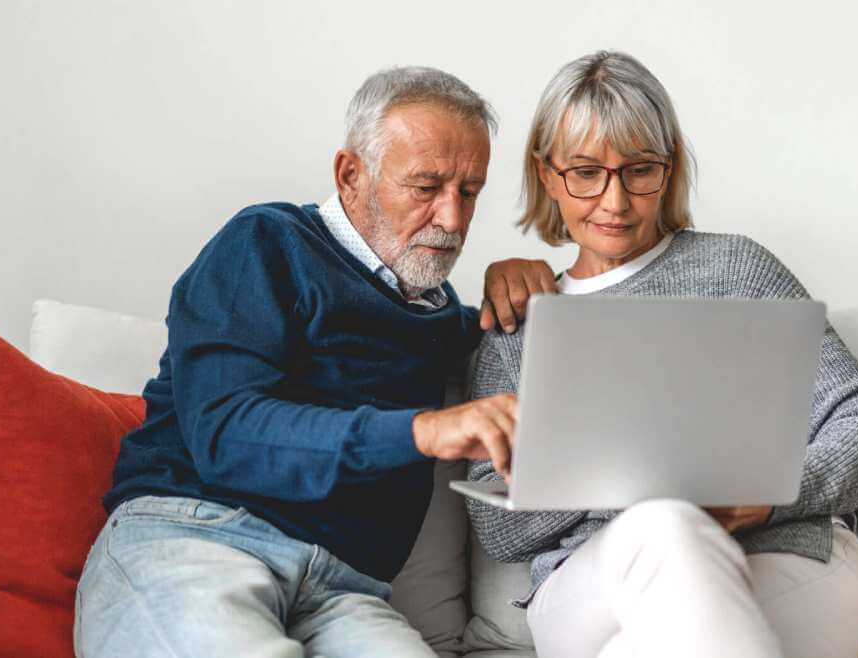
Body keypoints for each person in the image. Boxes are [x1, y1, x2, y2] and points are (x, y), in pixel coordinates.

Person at [74, 66, 544, 658]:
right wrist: (421, 430)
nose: (452, 220)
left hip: (346, 590)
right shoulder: (266, 244)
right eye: (426, 187)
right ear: (351, 175)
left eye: (469, 192)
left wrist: (522, 285)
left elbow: (523, 353)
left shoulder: (439, 315)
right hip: (196, 536)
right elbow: (225, 431)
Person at [466, 51, 858, 658]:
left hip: (784, 559)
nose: (615, 201)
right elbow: (496, 523)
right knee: (664, 524)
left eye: (639, 170)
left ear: (669, 169)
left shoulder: (737, 269)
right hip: (591, 585)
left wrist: (776, 493)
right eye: (586, 172)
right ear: (547, 175)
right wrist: (635, 482)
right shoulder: (520, 319)